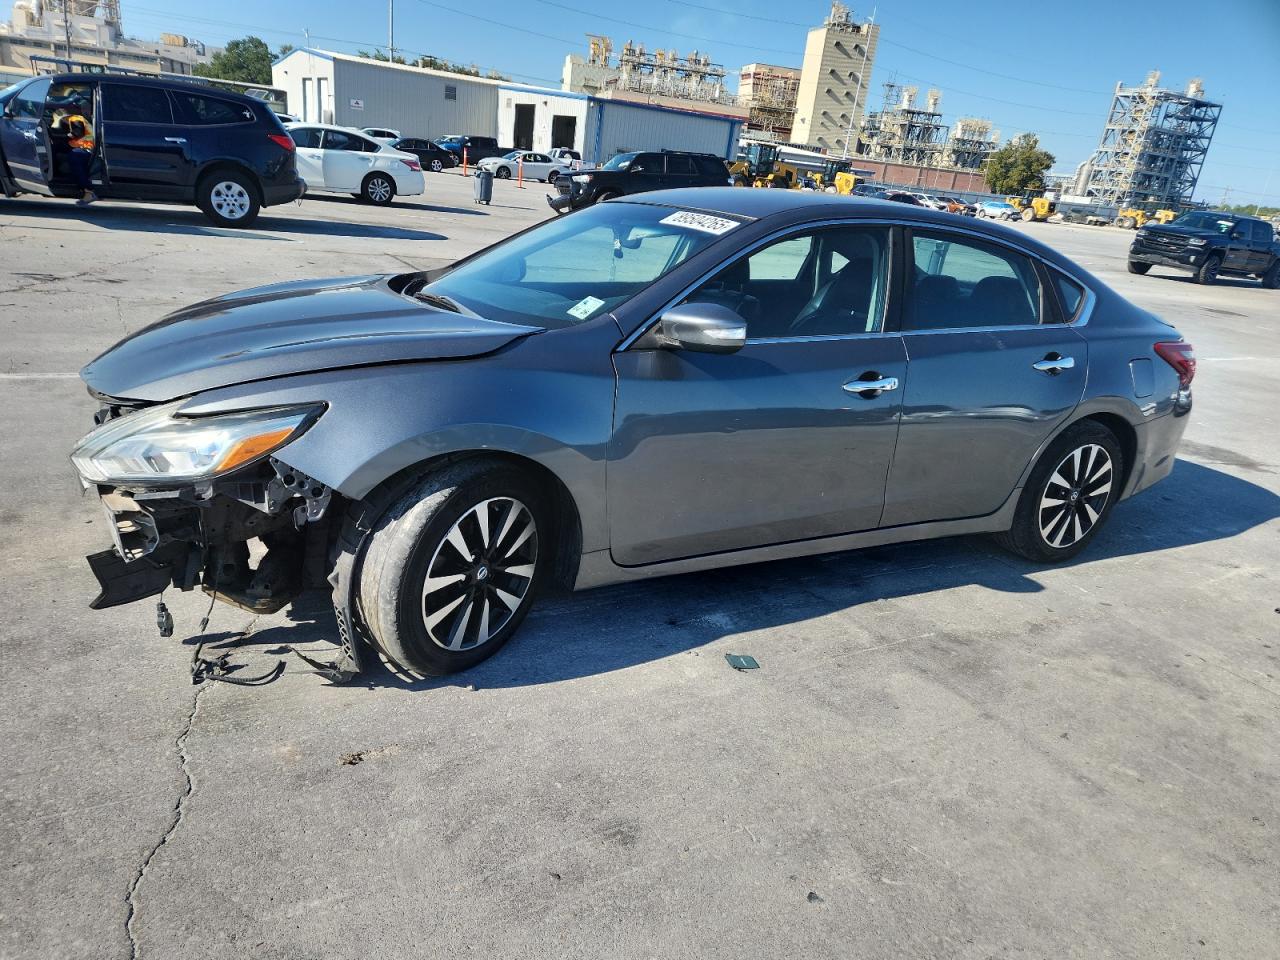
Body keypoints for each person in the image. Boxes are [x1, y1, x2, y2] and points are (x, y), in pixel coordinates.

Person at [63, 110, 97, 206]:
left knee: (74, 156)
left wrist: (69, 135)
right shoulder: (79, 118)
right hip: (87, 146)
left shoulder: (74, 119)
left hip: (88, 148)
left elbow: (78, 132)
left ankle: (88, 190)